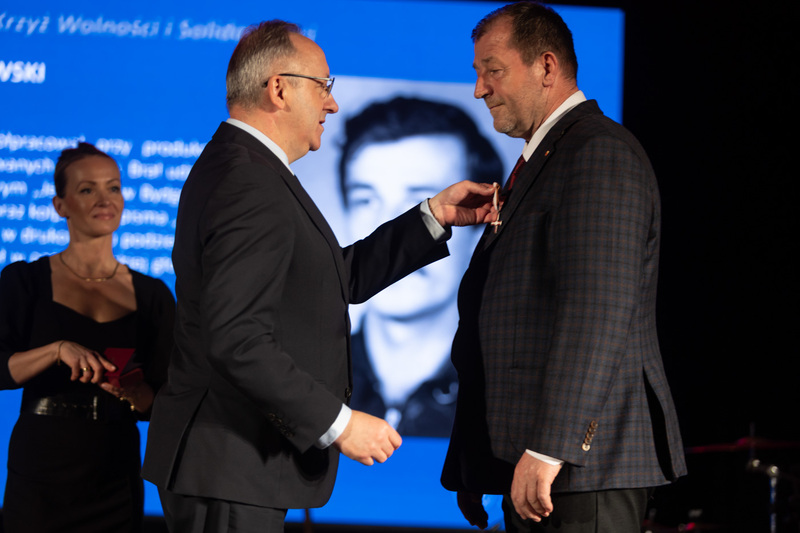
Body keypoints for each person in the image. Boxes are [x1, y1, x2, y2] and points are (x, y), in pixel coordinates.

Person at [141, 20, 497, 532]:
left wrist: (432, 217)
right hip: (229, 464)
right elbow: (236, 338)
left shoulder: (247, 169)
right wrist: (339, 423)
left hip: (233, 467)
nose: (332, 103)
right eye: (323, 85)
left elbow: (332, 280)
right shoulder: (249, 180)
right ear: (279, 89)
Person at [440, 3, 688, 532]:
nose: (479, 89)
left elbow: (597, 312)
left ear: (546, 67)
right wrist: (479, 457)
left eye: (493, 70)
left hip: (581, 469)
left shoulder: (598, 152)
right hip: (538, 466)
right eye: (478, 73)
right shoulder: (550, 157)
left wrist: (551, 447)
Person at [0, 142, 175, 533]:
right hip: (41, 470)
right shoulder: (24, 282)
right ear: (60, 205)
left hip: (114, 469)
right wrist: (56, 350)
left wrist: (132, 390)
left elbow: (165, 397)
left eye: (113, 187)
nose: (104, 199)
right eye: (87, 189)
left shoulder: (153, 295)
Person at [339, 96, 503, 437]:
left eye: (422, 203)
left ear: (482, 222)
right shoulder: (301, 374)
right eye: (366, 200)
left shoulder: (510, 387)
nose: (388, 228)